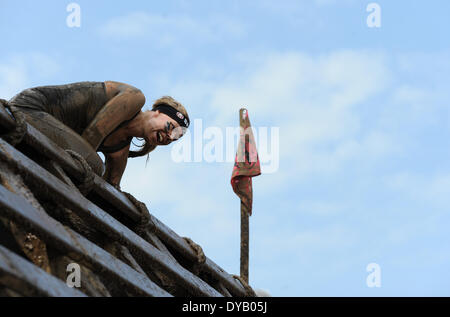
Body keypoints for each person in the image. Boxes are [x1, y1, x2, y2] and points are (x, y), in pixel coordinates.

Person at [7, 81, 190, 188]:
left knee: (94, 170)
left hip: (43, 127)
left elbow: (110, 190)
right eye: (170, 127)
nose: (169, 136)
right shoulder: (134, 98)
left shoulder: (120, 152)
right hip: (29, 108)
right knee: (93, 164)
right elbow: (93, 135)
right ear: (157, 112)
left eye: (174, 137)